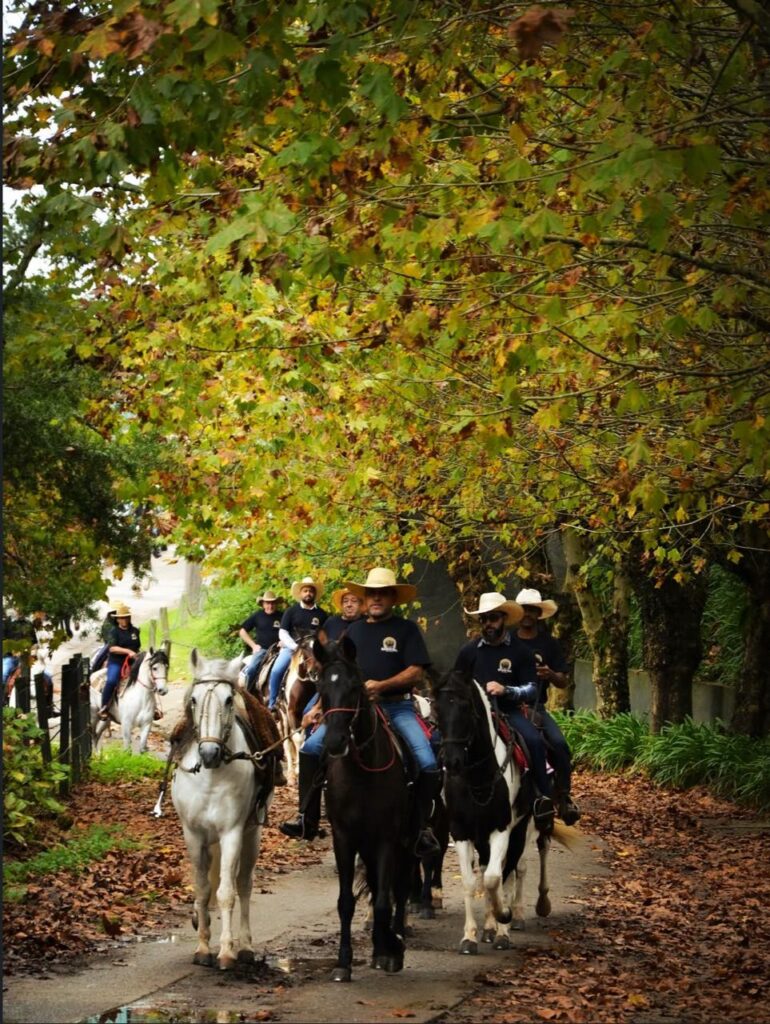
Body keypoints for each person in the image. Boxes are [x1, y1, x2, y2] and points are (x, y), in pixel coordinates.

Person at [281, 567, 442, 857]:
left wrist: (382, 685)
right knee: (311, 749)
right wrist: (318, 707)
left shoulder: (407, 630)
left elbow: (416, 672)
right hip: (352, 710)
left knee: (427, 761)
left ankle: (421, 828)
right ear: (365, 599)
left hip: (397, 706)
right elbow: (337, 675)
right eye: (372, 594)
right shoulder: (351, 632)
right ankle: (308, 818)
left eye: (382, 594)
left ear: (393, 597)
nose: (376, 598)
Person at [454, 592, 554, 830]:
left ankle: (542, 797)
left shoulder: (520, 652)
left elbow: (531, 688)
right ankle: (445, 797)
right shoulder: (468, 652)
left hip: (510, 712)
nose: (489, 623)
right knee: (445, 742)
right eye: (485, 619)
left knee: (534, 740)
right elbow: (456, 683)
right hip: (476, 716)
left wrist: (506, 690)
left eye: (494, 618)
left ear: (504, 619)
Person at [514, 588, 581, 825]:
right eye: (524, 609)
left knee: (560, 745)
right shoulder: (508, 640)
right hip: (508, 707)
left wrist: (550, 674)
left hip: (537, 708)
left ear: (539, 613)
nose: (528, 614)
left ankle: (563, 797)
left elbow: (563, 681)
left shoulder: (549, 644)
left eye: (533, 610)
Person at [266, 576, 328, 710]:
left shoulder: (322, 614)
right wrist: (296, 647)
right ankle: (273, 702)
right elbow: (282, 632)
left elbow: (324, 636)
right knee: (277, 670)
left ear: (315, 594)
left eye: (311, 591)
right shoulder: (291, 611)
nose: (308, 593)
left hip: (313, 650)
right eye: (305, 591)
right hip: (292, 647)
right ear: (300, 593)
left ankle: (326, 702)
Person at [99, 602, 141, 719]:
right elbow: (112, 648)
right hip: (117, 661)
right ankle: (104, 707)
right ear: (117, 620)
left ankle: (153, 708)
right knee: (112, 680)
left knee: (148, 677)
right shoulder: (114, 632)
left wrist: (138, 654)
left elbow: (137, 646)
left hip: (133, 661)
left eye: (126, 617)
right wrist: (128, 651)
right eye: (122, 618)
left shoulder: (135, 631)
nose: (124, 620)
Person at [238, 590, 283, 690]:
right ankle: (248, 694)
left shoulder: (282, 616)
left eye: (272, 603)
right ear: (263, 604)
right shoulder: (257, 616)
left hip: (280, 650)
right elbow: (242, 631)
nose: (270, 606)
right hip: (262, 650)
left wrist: (284, 641)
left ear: (276, 604)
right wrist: (253, 645)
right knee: (252, 669)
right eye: (267, 603)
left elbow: (290, 631)